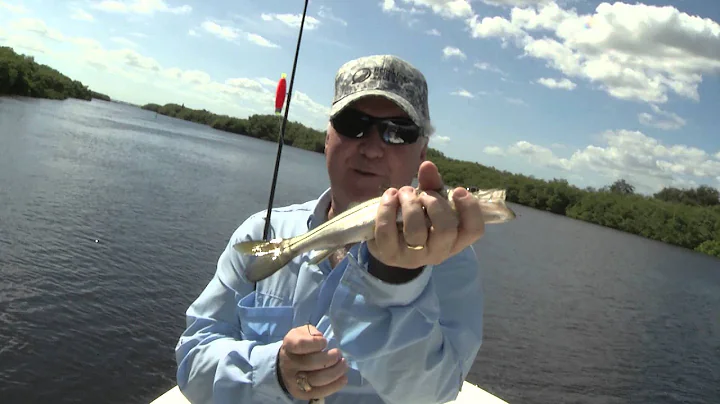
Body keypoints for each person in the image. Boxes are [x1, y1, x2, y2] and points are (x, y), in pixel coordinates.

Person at [175, 55, 487, 404]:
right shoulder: (261, 232)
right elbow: (193, 358)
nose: (371, 148)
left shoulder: (451, 259)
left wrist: (396, 281)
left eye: (397, 133)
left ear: (421, 154)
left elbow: (433, 393)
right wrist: (272, 371)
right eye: (353, 124)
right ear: (327, 137)